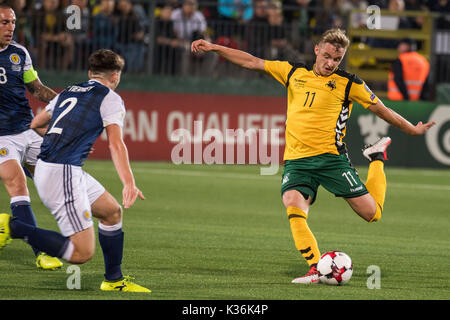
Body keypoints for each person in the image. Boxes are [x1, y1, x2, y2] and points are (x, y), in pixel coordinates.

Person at [191, 28, 435, 284]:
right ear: (316, 50)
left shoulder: (350, 83)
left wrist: (412, 129)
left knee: (372, 214)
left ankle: (376, 157)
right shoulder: (294, 73)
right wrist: (215, 48)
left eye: (337, 59)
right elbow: (253, 61)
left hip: (331, 159)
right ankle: (316, 269)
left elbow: (382, 110)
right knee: (293, 204)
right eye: (327, 56)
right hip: (297, 161)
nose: (330, 63)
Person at [0, 49, 150, 292]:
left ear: (90, 73)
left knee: (112, 212)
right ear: (115, 76)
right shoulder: (110, 97)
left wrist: (60, 141)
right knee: (81, 253)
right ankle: (13, 227)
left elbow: (36, 123)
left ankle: (113, 280)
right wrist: (129, 182)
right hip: (62, 173)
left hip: (59, 168)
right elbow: (115, 143)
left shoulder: (70, 91)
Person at [0, 3, 62, 270]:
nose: (10, 27)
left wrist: (66, 101)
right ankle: (42, 252)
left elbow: (36, 89)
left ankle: (5, 228)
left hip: (27, 131)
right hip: (2, 138)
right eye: (4, 22)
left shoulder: (18, 53)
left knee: (59, 179)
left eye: (12, 22)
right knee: (18, 186)